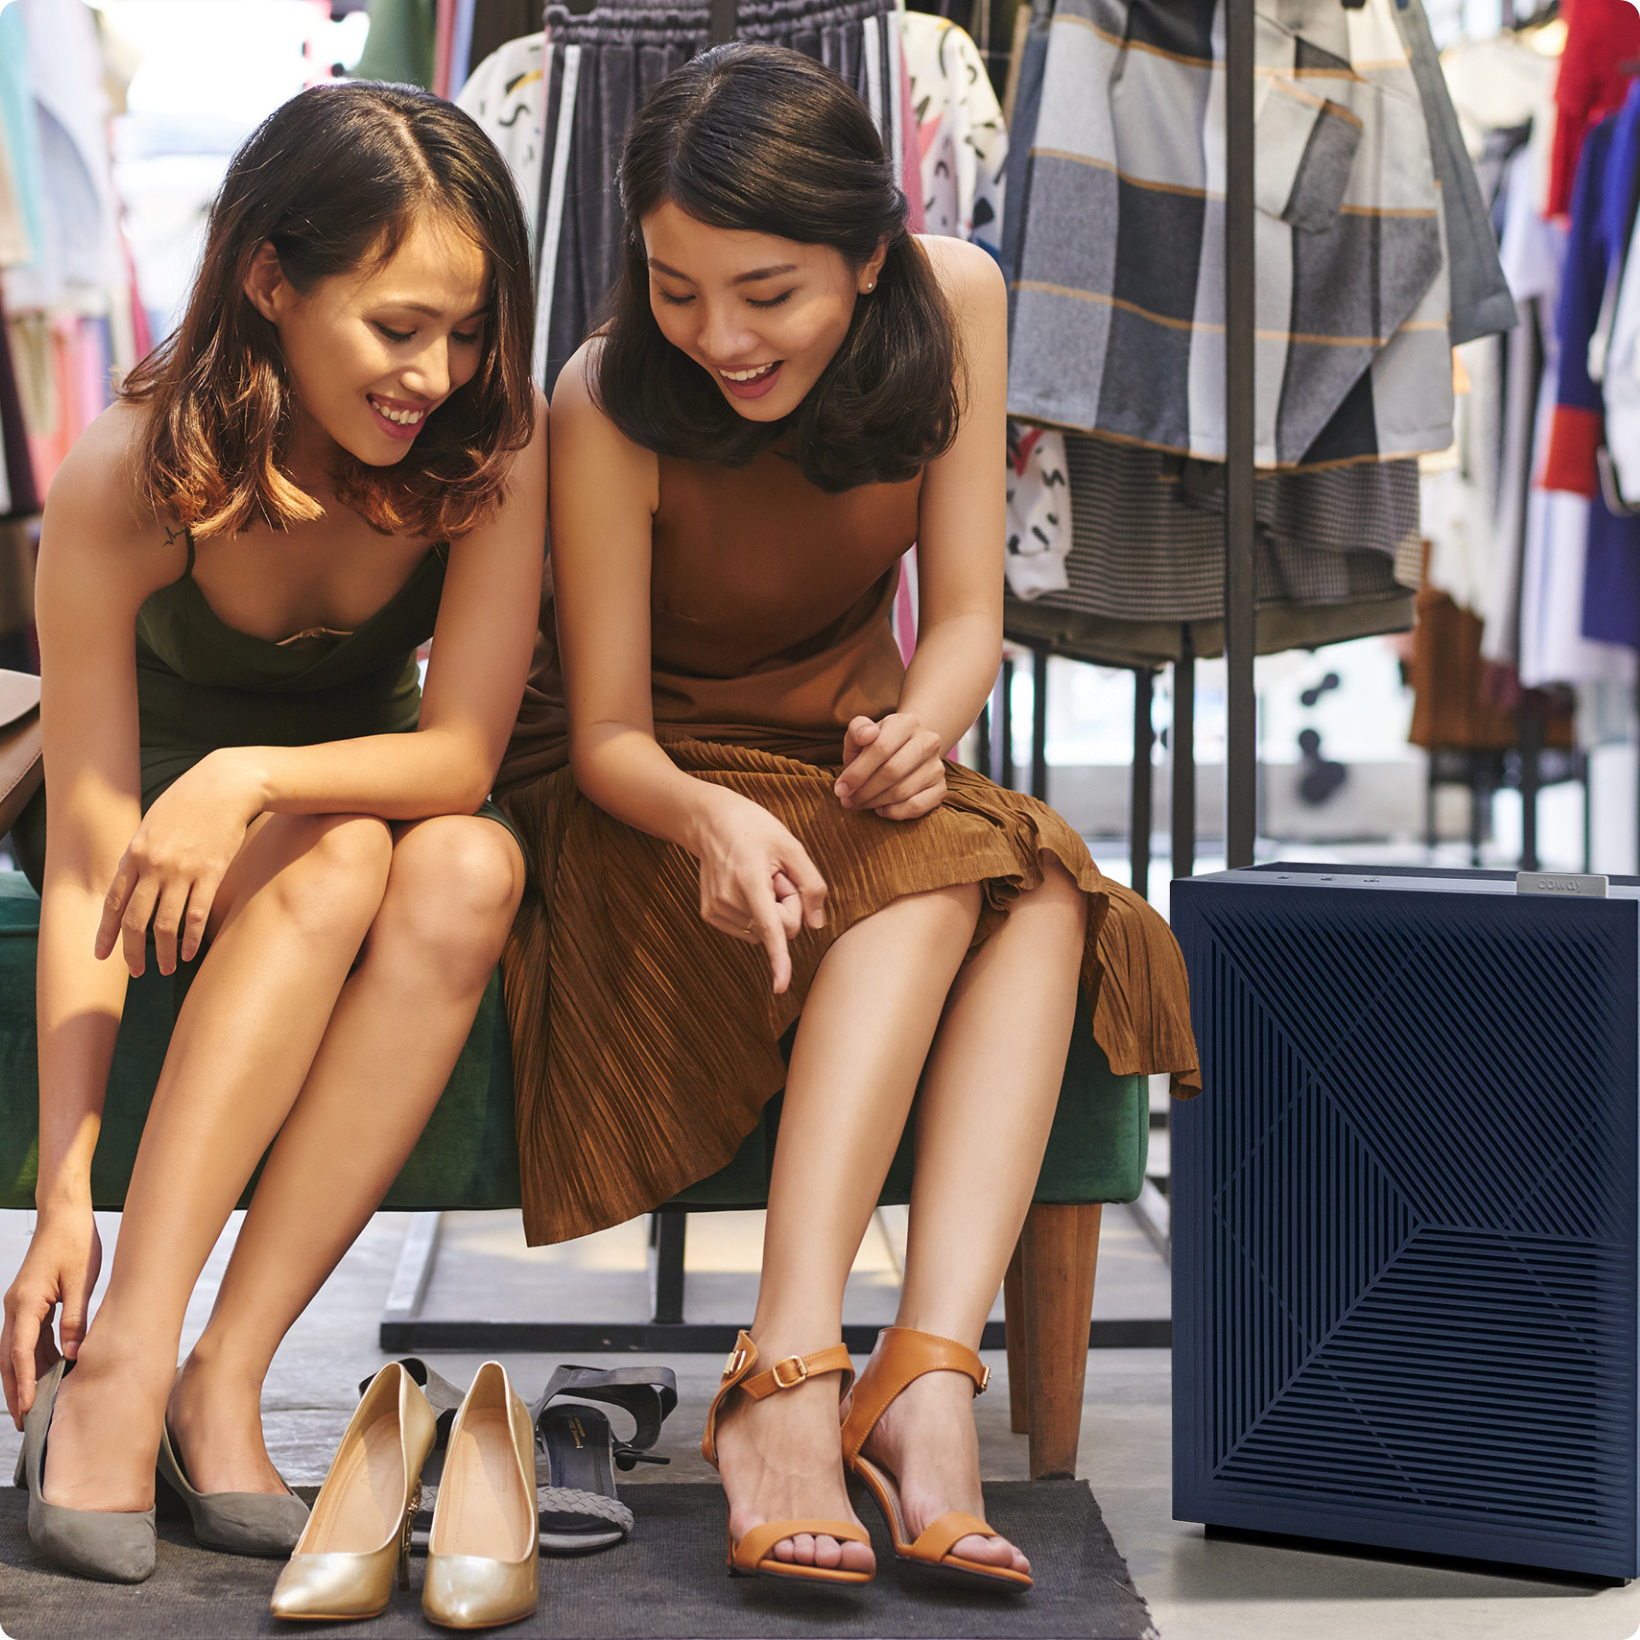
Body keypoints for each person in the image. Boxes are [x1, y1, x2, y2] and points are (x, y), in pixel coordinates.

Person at [496, 43, 1198, 1589]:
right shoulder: (608, 394)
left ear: (868, 254)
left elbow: (965, 616)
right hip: (651, 794)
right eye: (677, 288)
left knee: (1049, 893)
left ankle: (924, 1378)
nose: (718, 336)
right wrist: (705, 821)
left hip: (849, 756)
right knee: (944, 876)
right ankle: (791, 1377)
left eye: (765, 292)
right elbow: (604, 730)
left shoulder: (954, 300)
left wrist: (926, 729)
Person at [0, 81, 545, 1583]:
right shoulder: (125, 476)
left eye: (471, 326)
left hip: (328, 788)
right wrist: (64, 1186)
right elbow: (96, 858)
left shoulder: (490, 446)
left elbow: (461, 754)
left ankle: (215, 1380)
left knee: (471, 859)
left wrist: (257, 775)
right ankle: (118, 1362)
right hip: (143, 817)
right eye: (396, 328)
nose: (438, 371)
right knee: (350, 850)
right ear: (269, 279)